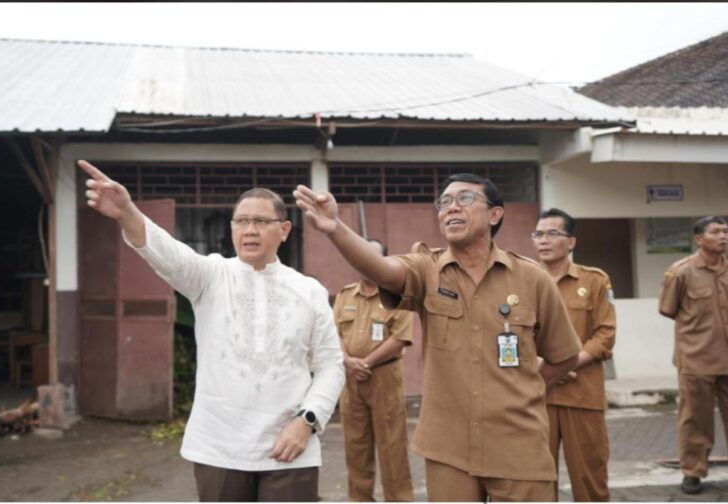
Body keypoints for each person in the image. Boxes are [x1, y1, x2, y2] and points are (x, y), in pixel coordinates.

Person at [294, 173, 582, 502]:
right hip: (448, 447)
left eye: (465, 199)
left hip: (518, 443)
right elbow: (381, 269)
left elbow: (564, 356)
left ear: (495, 214)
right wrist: (336, 229)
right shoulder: (426, 270)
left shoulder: (532, 279)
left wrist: (524, 392)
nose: (451, 208)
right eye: (444, 202)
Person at [77, 160, 345, 502]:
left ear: (284, 230)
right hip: (220, 447)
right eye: (241, 221)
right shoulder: (210, 276)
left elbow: (330, 365)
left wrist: (307, 421)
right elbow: (168, 254)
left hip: (291, 448)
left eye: (261, 221)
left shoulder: (309, 290)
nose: (250, 230)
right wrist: (127, 213)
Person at [532, 208, 616, 502]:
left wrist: (565, 363)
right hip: (535, 395)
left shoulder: (595, 281)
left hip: (582, 394)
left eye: (552, 233)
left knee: (589, 476)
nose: (543, 240)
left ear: (571, 242)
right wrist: (539, 365)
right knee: (536, 479)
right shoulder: (522, 280)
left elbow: (605, 334)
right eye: (538, 234)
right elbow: (508, 335)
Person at [334, 238, 414, 502]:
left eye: (371, 256)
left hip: (384, 378)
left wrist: (366, 362)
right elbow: (334, 333)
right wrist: (348, 361)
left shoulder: (397, 296)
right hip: (351, 379)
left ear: (383, 261)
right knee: (355, 447)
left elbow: (400, 337)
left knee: (392, 448)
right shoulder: (345, 295)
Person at [659, 215, 728, 495]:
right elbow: (667, 308)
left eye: (725, 231)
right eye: (716, 232)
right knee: (695, 420)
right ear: (699, 239)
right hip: (696, 358)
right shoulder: (681, 272)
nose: (723, 236)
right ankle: (693, 471)